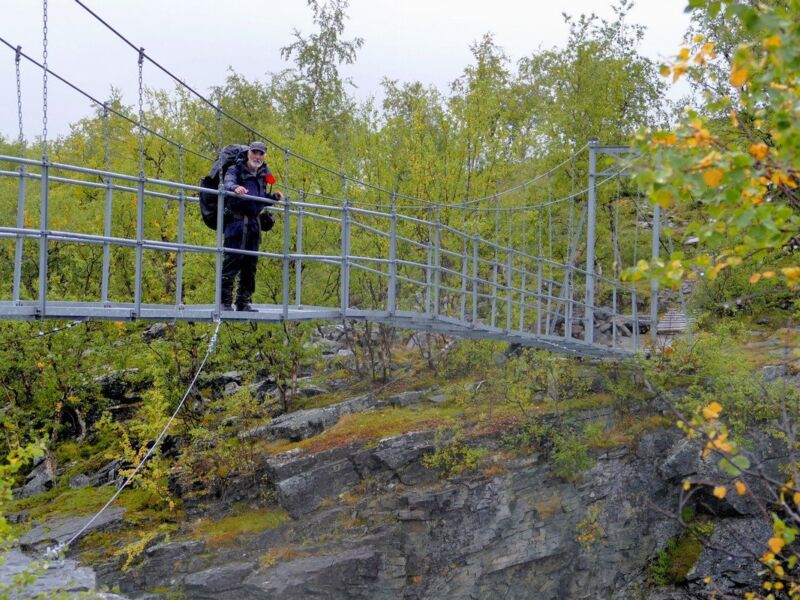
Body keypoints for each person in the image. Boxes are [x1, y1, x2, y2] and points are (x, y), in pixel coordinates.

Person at [221, 141, 283, 311]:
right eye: (254, 152)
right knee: (231, 262)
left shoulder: (264, 175)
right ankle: (224, 302)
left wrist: (273, 198)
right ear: (248, 153)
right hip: (237, 223)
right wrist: (236, 188)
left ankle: (243, 302)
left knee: (250, 265)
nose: (257, 156)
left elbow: (261, 197)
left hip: (254, 226)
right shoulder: (236, 169)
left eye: (261, 153)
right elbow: (228, 183)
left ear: (264, 156)